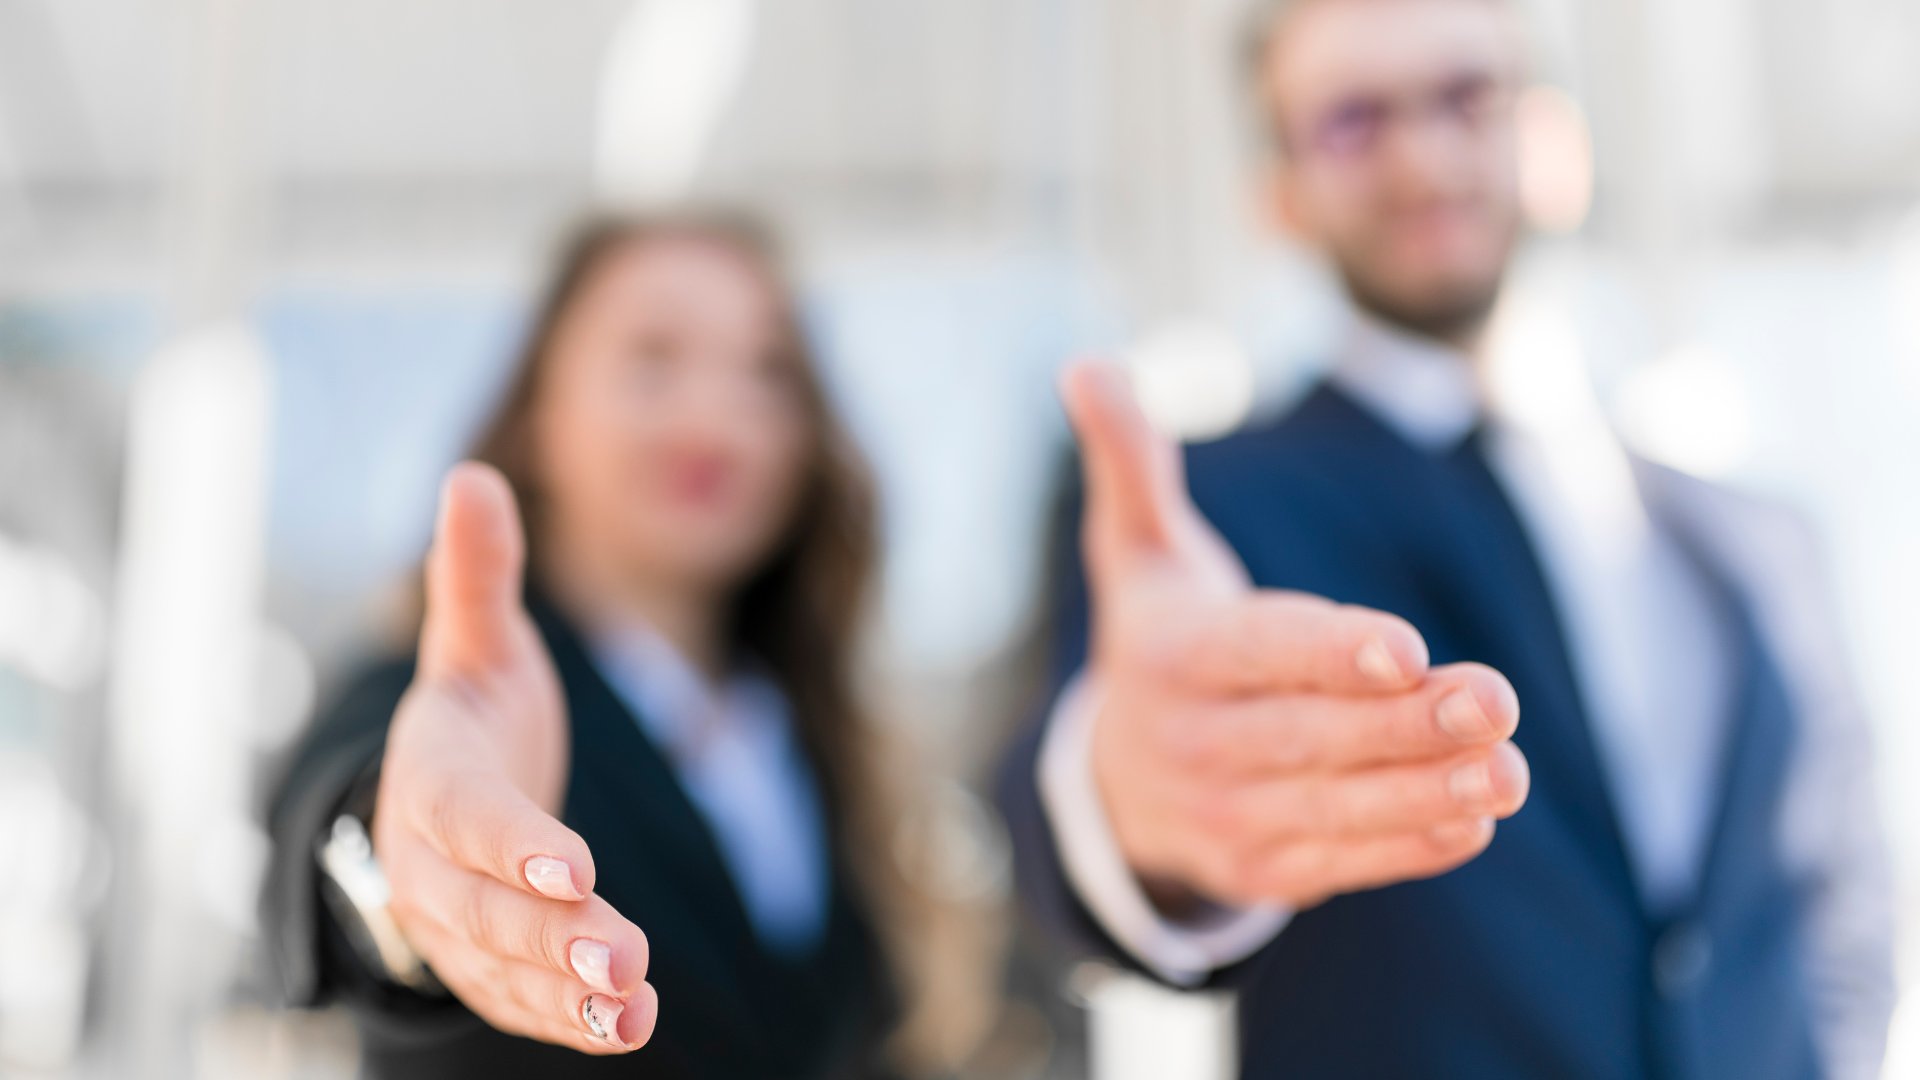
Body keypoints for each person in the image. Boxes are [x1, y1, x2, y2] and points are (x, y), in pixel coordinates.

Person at [997, 0, 1895, 1077]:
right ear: (1279, 194)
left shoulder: (1759, 544)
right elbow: (1093, 790)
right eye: (1353, 120)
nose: (1422, 157)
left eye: (1467, 97)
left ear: (1557, 144)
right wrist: (1130, 807)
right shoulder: (1208, 508)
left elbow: (1838, 907)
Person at [265, 213, 900, 1078]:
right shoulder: (450, 695)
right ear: (537, 417)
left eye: (768, 372)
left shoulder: (811, 741)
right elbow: (362, 812)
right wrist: (412, 863)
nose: (717, 415)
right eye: (652, 358)